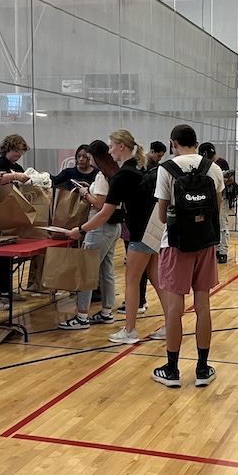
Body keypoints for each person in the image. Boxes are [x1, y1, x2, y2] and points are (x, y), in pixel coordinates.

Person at [68, 130, 169, 344]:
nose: (109, 150)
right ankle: (171, 324)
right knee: (155, 278)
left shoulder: (123, 176)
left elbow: (105, 212)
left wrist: (82, 229)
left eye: (111, 145)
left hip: (140, 233)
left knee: (132, 281)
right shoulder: (144, 166)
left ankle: (130, 330)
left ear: (121, 146)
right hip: (153, 229)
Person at [153, 124, 224, 387]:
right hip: (205, 244)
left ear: (173, 143)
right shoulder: (212, 168)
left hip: (175, 244)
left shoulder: (166, 169)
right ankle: (202, 369)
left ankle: (172, 370)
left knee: (174, 308)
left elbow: (162, 216)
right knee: (203, 305)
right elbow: (215, 210)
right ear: (197, 142)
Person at [58, 140, 122, 330]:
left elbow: (99, 204)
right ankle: (106, 312)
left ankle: (82, 316)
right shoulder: (113, 172)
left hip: (100, 227)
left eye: (89, 156)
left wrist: (85, 193)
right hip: (113, 226)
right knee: (106, 271)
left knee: (87, 270)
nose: (87, 159)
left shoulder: (102, 175)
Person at [0, 134, 32, 311]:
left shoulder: (17, 167)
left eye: (21, 151)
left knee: (8, 255)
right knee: (0, 254)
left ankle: (5, 291)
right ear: (7, 148)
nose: (19, 154)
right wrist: (16, 177)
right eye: (16, 150)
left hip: (10, 214)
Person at [217, 169, 235, 264]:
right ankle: (216, 249)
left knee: (222, 224)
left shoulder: (222, 163)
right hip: (211, 198)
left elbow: (231, 179)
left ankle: (223, 252)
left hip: (222, 198)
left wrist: (220, 185)